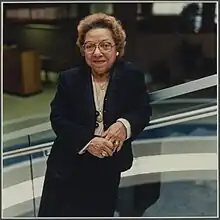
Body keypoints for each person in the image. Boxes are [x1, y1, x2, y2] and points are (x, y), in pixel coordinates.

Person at [38, 13, 152, 217]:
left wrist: (124, 125)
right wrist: (88, 142)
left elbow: (142, 109)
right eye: (90, 46)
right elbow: (59, 118)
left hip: (107, 165)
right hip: (68, 165)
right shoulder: (69, 79)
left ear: (117, 48)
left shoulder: (131, 76)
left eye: (105, 45)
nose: (97, 52)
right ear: (83, 51)